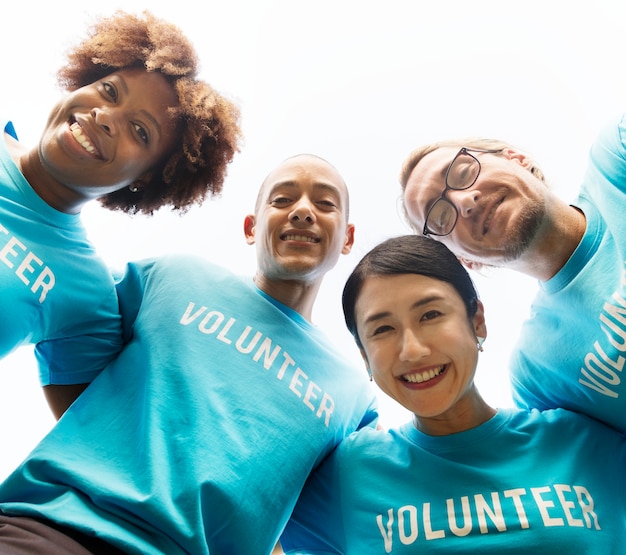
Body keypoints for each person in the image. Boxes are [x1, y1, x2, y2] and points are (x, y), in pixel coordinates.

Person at [0, 154, 378, 555]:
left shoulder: (353, 395)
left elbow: (310, 527)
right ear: (251, 228)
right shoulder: (173, 277)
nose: (302, 212)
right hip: (53, 529)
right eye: (282, 200)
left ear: (348, 237)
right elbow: (71, 317)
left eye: (325, 203)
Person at [280, 234, 626, 554]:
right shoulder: (346, 474)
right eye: (382, 329)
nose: (412, 351)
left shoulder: (585, 441)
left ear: (477, 321)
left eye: (430, 314)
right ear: (364, 357)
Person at [1, 10, 241, 418]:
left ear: (145, 179)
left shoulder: (86, 296)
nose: (106, 118)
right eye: (109, 91)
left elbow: (100, 446)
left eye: (140, 131)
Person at [399, 117, 626, 432]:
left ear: (517, 159)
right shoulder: (539, 374)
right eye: (440, 216)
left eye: (463, 172)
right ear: (464, 260)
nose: (464, 202)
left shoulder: (616, 157)